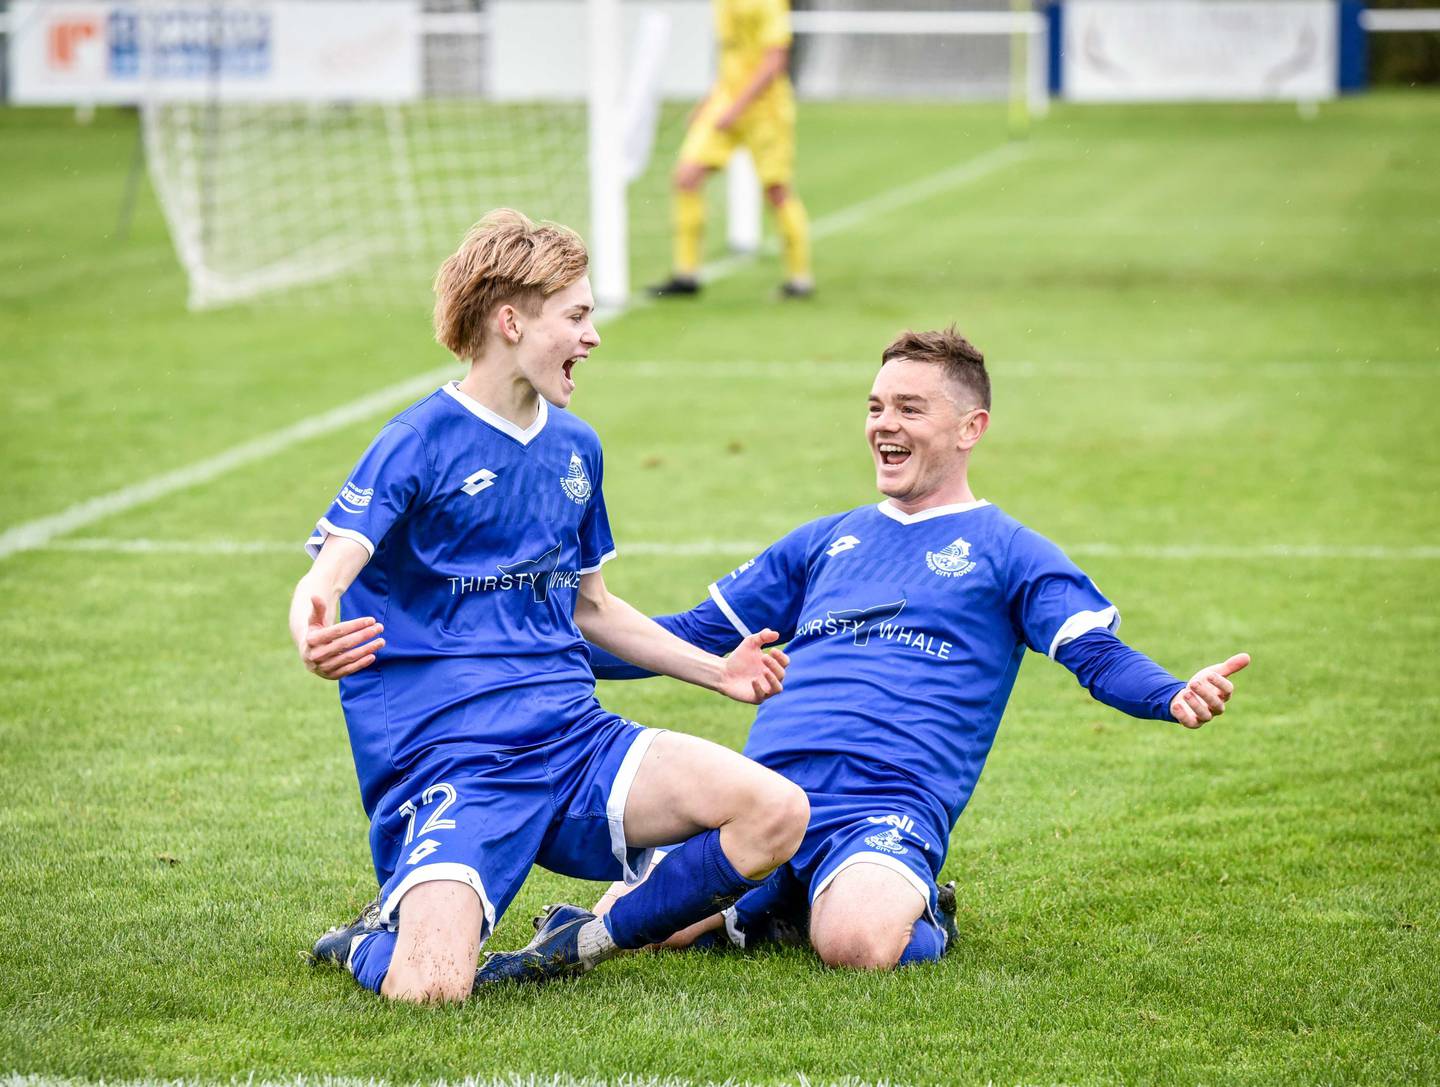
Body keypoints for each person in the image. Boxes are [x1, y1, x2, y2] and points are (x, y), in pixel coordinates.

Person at [484, 326, 1248, 978]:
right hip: (765, 795)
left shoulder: (1011, 550)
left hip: (886, 804)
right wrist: (527, 649)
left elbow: (1094, 651)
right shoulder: (827, 539)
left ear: (970, 427)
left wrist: (1169, 692)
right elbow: (690, 635)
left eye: (910, 408)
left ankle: (901, 906)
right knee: (640, 919)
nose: (885, 424)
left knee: (856, 942)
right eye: (876, 406)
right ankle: (764, 905)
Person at [292, 209, 808, 1003]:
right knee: (430, 989)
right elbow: (327, 574)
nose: (593, 336)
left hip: (574, 740)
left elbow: (591, 608)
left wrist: (718, 671)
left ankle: (584, 938)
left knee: (776, 809)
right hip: (460, 761)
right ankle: (369, 939)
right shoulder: (419, 441)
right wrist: (313, 627)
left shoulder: (575, 447)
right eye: (577, 316)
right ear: (511, 322)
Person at [649, 0, 813, 299]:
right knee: (686, 177)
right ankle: (687, 275)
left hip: (766, 109)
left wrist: (736, 108)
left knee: (776, 190)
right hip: (726, 101)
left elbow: (774, 62)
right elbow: (730, 59)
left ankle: (799, 279)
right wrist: (710, 101)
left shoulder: (769, 4)